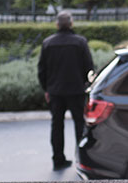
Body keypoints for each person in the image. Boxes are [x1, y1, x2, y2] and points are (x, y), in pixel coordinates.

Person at [37, 10, 94, 170]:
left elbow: (42, 70)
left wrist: (46, 89)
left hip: (55, 92)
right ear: (71, 24)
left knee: (56, 126)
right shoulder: (80, 42)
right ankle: (81, 159)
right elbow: (89, 67)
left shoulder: (47, 43)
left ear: (57, 24)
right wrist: (86, 85)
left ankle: (58, 159)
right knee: (79, 125)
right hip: (76, 90)